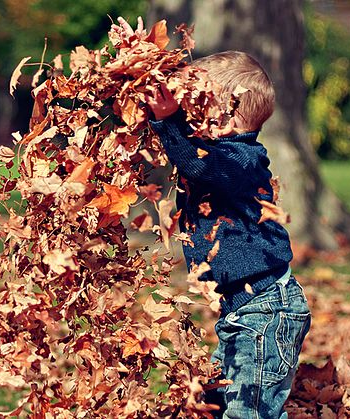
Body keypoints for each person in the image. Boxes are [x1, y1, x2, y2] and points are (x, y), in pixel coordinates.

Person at [114, 18, 312, 418]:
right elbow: (188, 150)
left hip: (266, 312)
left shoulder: (241, 160)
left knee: (248, 412)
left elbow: (198, 165)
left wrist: (167, 121)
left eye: (195, 106)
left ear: (226, 115)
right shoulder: (220, 153)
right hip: (241, 311)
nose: (186, 116)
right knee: (215, 400)